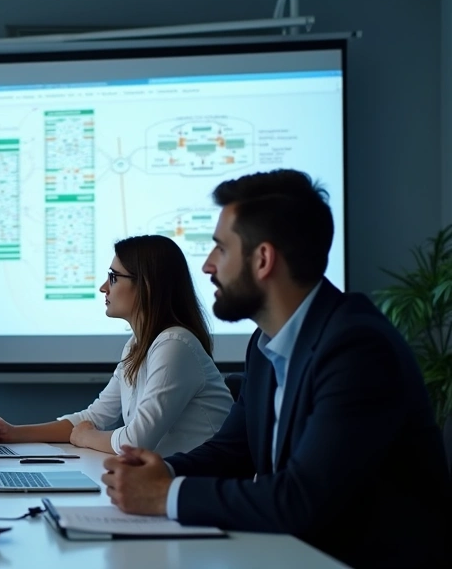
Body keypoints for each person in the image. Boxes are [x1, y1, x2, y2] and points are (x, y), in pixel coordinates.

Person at [101, 169, 451, 569]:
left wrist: (165, 495)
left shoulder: (357, 348)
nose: (207, 266)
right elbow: (232, 451)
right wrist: (159, 468)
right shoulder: (266, 344)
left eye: (221, 250)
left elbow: (302, 499)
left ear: (263, 259)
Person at [0, 235, 233, 456]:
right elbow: (94, 418)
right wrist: (12, 434)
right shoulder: (137, 345)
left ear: (145, 285)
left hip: (202, 487)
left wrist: (84, 437)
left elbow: (134, 442)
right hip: (170, 481)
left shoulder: (176, 345)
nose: (103, 288)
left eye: (113, 277)